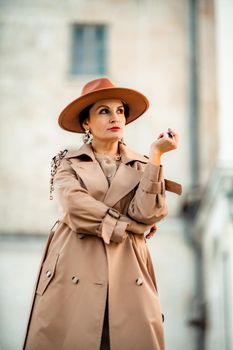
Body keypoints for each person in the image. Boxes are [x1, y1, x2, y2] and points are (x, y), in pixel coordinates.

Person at [23, 77, 182, 350]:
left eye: (119, 110)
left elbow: (148, 214)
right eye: (104, 111)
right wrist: (130, 228)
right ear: (86, 123)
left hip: (128, 267)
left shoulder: (143, 164)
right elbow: (75, 207)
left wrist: (156, 156)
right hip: (74, 265)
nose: (114, 117)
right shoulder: (67, 162)